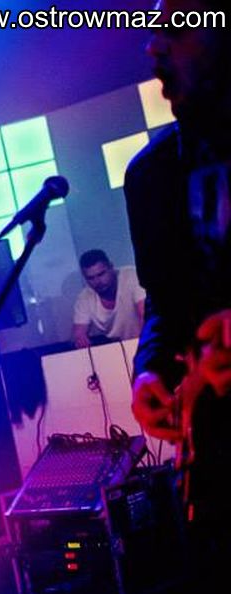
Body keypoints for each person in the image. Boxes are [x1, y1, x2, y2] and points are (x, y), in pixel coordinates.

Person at [127, 0, 231, 536]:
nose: (153, 45)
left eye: (179, 26)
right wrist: (150, 370)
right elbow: (164, 303)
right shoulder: (151, 174)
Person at [71, 249, 146, 349]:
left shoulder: (133, 276)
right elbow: (78, 334)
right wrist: (80, 340)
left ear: (111, 267)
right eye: (91, 278)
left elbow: (146, 316)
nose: (98, 281)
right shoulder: (84, 298)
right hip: (120, 348)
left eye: (101, 274)